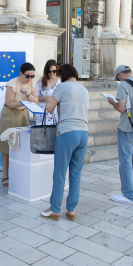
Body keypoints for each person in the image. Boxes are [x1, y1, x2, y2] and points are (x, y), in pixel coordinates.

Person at [41, 64, 89, 220]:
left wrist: (49, 99)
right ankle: (71, 209)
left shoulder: (62, 87)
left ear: (62, 76)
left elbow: (49, 108)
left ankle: (55, 209)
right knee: (76, 174)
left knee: (60, 173)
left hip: (67, 131)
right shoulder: (84, 89)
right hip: (83, 132)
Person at [108, 65, 133, 204]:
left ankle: (128, 194)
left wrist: (112, 102)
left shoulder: (124, 85)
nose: (119, 80)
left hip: (127, 127)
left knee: (125, 161)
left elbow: (121, 108)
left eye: (118, 77)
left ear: (120, 74)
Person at [0, 62, 38, 188]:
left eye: (32, 76)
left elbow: (36, 101)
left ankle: (19, 173)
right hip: (10, 114)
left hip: (23, 114)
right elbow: (9, 103)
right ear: (20, 73)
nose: (29, 79)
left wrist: (28, 95)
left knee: (22, 144)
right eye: (27, 76)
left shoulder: (31, 84)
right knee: (6, 146)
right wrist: (24, 102)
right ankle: (5, 175)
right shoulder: (12, 83)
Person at [36, 59, 61, 126]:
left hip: (56, 111)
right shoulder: (40, 81)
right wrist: (45, 98)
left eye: (54, 71)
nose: (51, 73)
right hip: (43, 112)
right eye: (49, 71)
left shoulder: (60, 81)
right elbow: (36, 97)